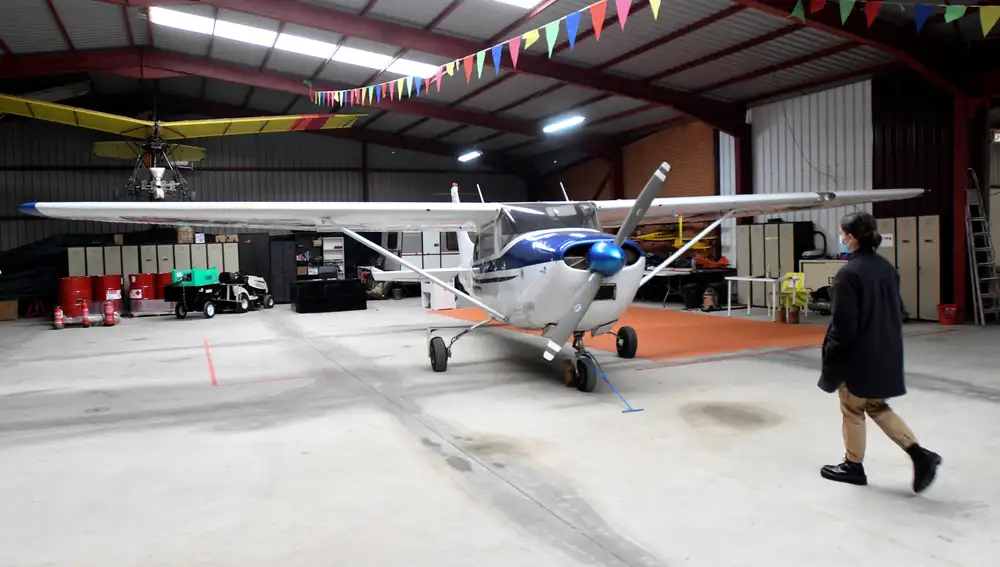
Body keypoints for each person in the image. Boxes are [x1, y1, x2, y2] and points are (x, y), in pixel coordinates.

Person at [817, 211, 942, 493]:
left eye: (842, 234)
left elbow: (843, 326)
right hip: (884, 350)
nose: (842, 238)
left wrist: (832, 359)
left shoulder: (848, 274)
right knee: (876, 405)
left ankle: (853, 465)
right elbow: (898, 311)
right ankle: (920, 454)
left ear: (851, 238)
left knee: (852, 408)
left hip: (857, 357)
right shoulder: (887, 268)